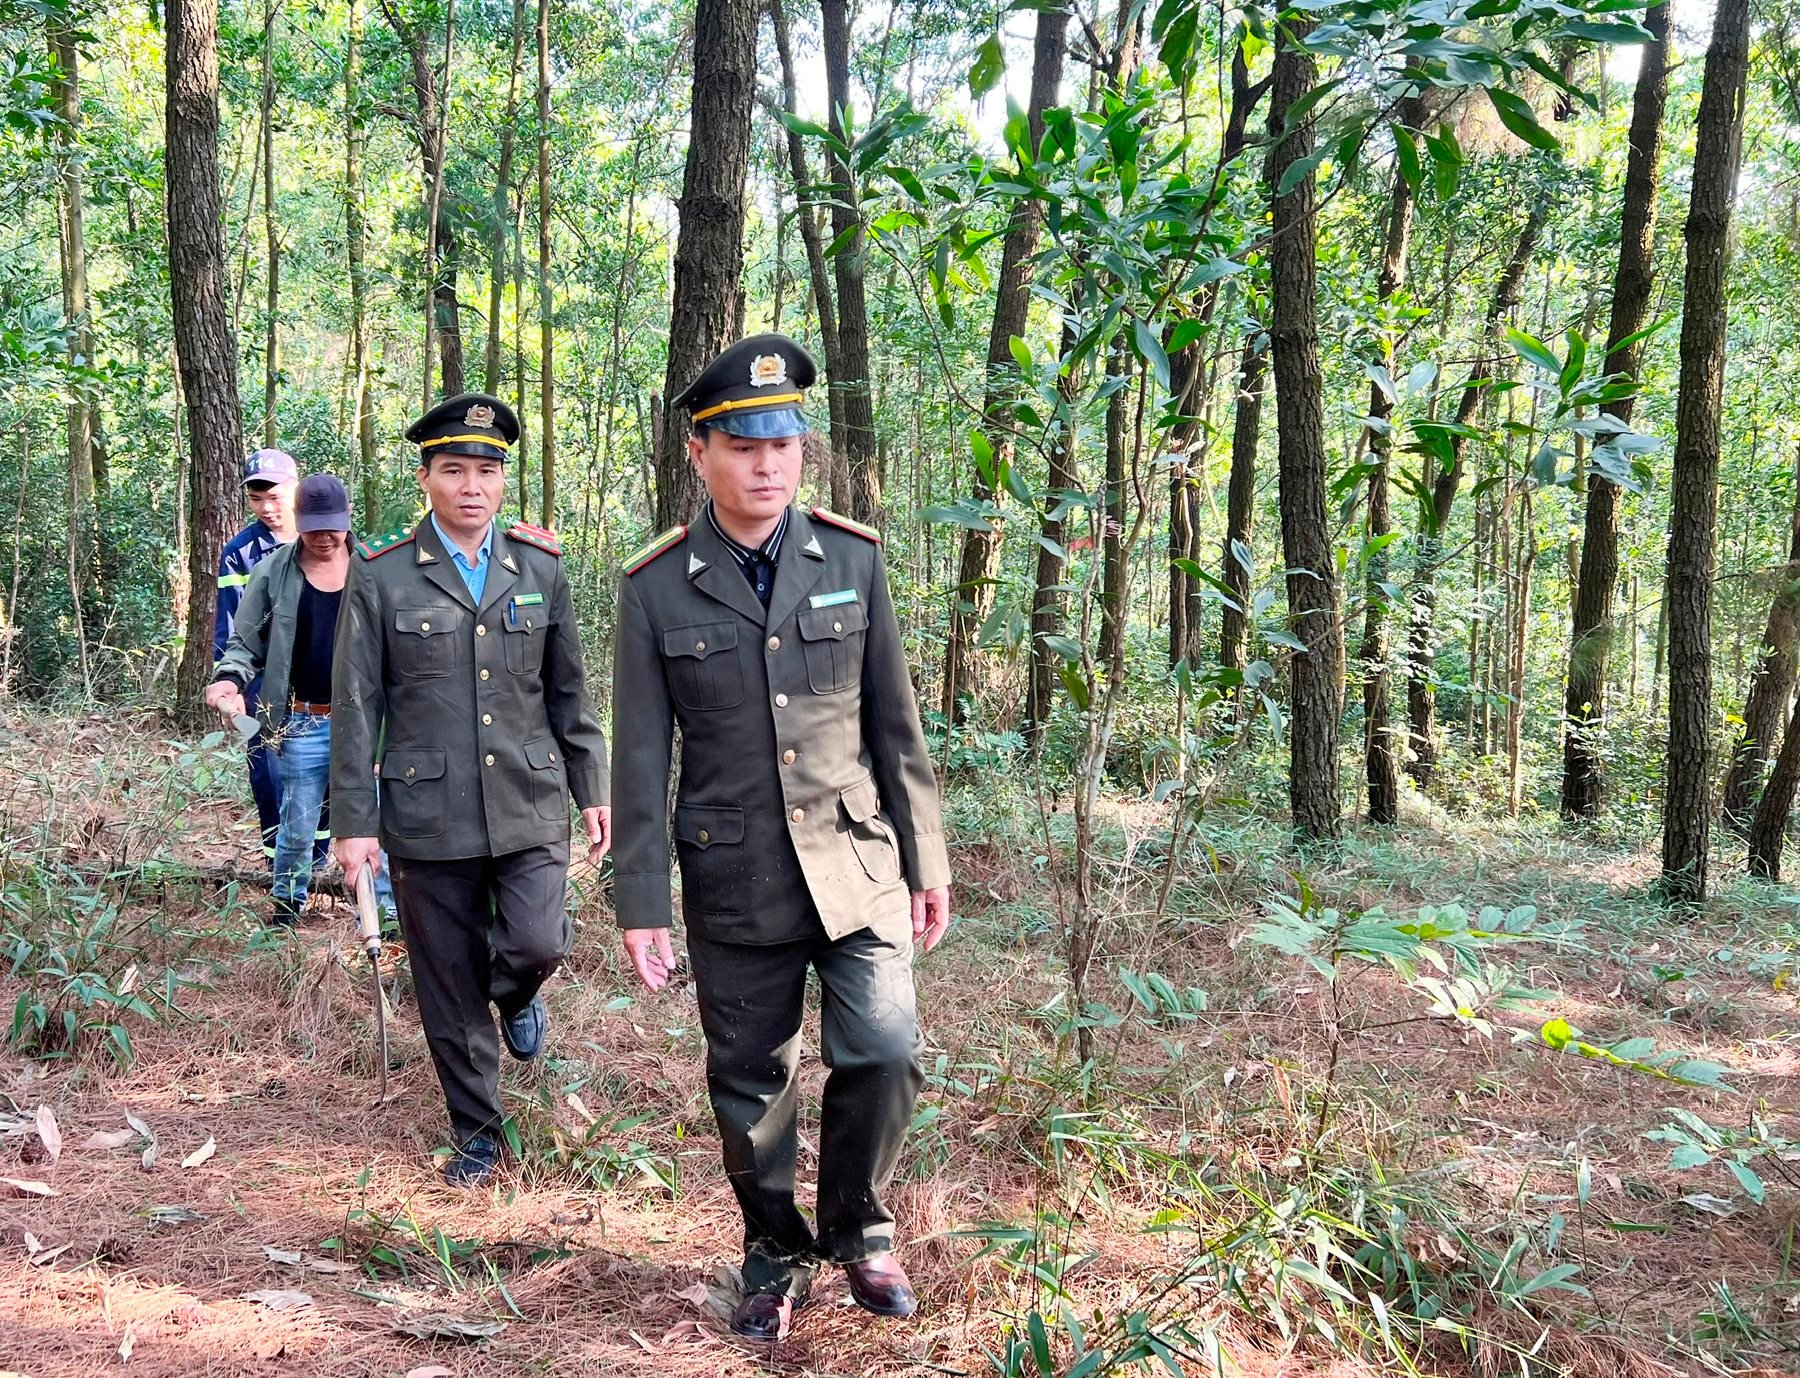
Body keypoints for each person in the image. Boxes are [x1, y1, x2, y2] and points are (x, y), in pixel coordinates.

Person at [610, 334, 953, 1342]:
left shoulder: (850, 557)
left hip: (858, 864)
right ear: (700, 453)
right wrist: (641, 903)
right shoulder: (657, 587)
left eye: (784, 444)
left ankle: (860, 1230)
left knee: (885, 1049)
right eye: (743, 445)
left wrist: (926, 860)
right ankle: (773, 1250)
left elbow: (896, 724)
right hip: (736, 872)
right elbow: (639, 759)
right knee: (752, 1086)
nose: (767, 464)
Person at [329, 393, 612, 1187]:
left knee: (537, 942)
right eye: (454, 470)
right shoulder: (380, 576)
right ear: (426, 478)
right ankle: (478, 1133)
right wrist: (354, 823)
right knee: (445, 979)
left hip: (528, 798)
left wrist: (593, 783)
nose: (472, 486)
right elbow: (357, 706)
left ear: (502, 481)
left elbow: (569, 693)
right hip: (427, 809)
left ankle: (516, 995)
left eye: (487, 470)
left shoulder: (540, 567)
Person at [205, 475, 396, 928]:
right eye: (313, 528)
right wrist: (229, 679)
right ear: (298, 523)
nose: (324, 537)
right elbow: (245, 642)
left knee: (375, 827)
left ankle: (382, 921)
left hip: (367, 726)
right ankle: (287, 909)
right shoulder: (274, 571)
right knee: (297, 824)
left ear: (348, 518)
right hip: (303, 721)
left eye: (332, 526)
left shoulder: (376, 569)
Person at [213, 448, 313, 871]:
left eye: (276, 495)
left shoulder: (328, 535)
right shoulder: (241, 552)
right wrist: (230, 685)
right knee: (269, 775)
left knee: (327, 776)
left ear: (295, 487)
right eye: (258, 498)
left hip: (323, 681)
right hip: (264, 685)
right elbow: (233, 628)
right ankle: (282, 876)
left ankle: (322, 865)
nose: (269, 508)